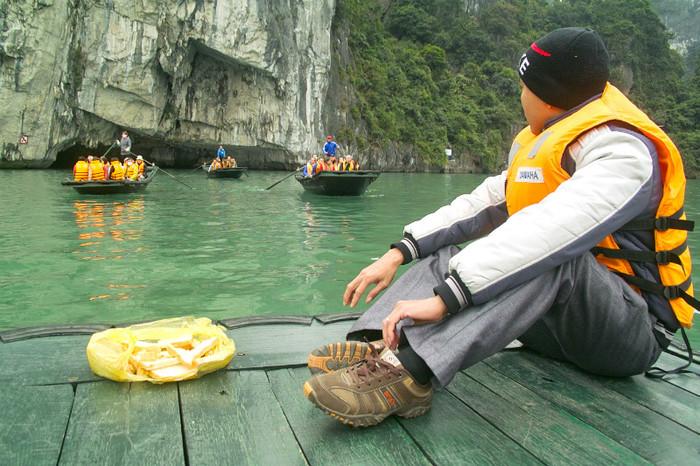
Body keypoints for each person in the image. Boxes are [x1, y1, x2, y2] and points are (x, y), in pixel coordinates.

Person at [302, 27, 696, 428]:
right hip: (555, 323)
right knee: (452, 256)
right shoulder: (546, 142)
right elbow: (477, 205)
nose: (520, 94)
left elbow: (547, 234)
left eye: (524, 85)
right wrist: (399, 251)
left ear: (545, 94)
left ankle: (410, 375)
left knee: (548, 260)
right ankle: (380, 343)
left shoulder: (622, 151)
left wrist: (446, 299)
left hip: (627, 333)